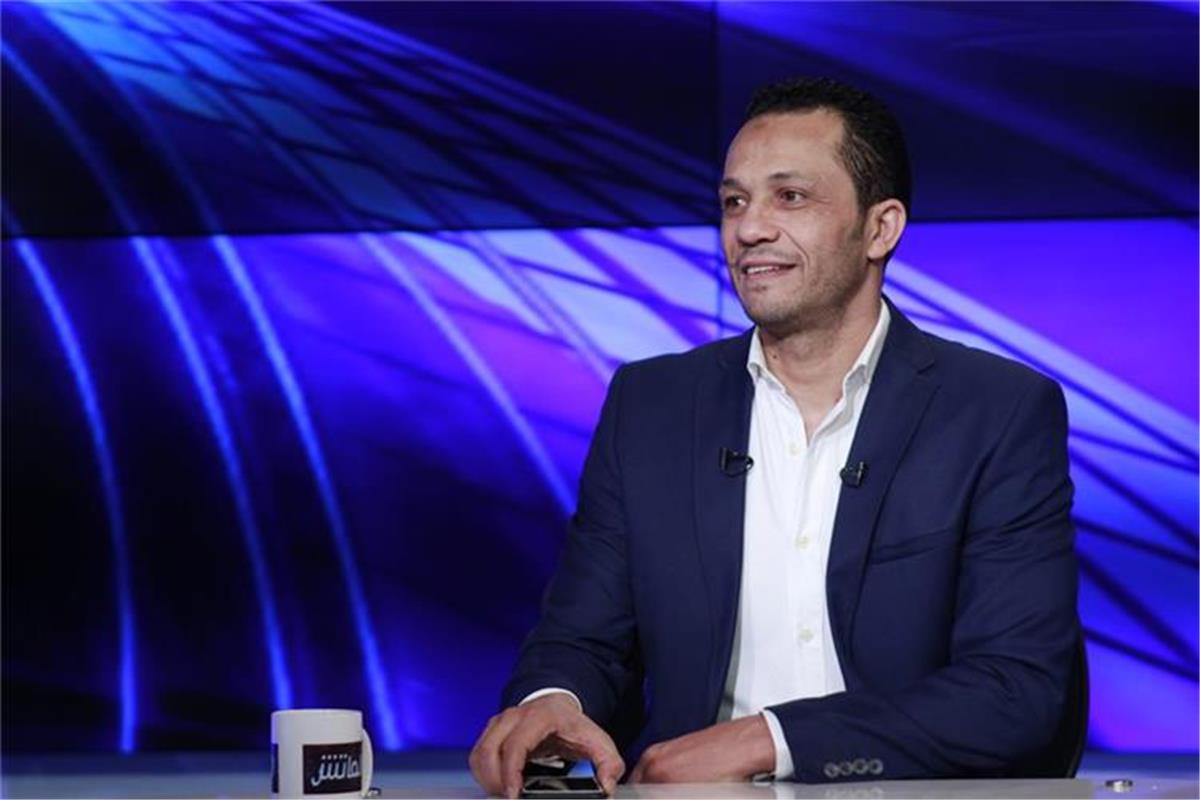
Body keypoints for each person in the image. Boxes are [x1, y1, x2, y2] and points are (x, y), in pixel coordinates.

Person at [469, 76, 1079, 797]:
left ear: (880, 229)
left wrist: (770, 740)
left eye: (789, 197)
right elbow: (583, 638)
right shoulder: (651, 405)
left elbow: (1015, 690)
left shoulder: (996, 410)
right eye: (735, 202)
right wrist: (553, 702)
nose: (749, 228)